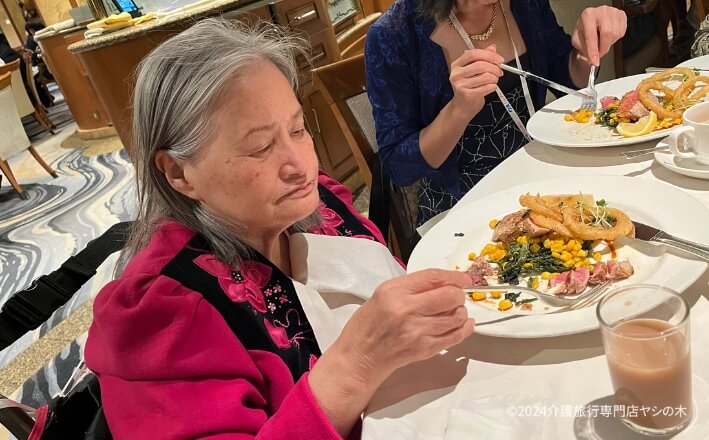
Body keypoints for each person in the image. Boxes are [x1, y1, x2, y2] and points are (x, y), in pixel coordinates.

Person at [85, 18, 475, 439]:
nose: (299, 165)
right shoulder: (161, 315)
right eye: (261, 147)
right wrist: (356, 364)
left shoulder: (316, 202)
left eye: (297, 128)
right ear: (179, 173)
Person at [365, 0, 626, 225]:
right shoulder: (393, 34)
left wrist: (587, 49)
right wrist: (459, 109)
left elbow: (567, 84)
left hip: (538, 174)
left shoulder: (525, 4)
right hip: (461, 205)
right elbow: (399, 166)